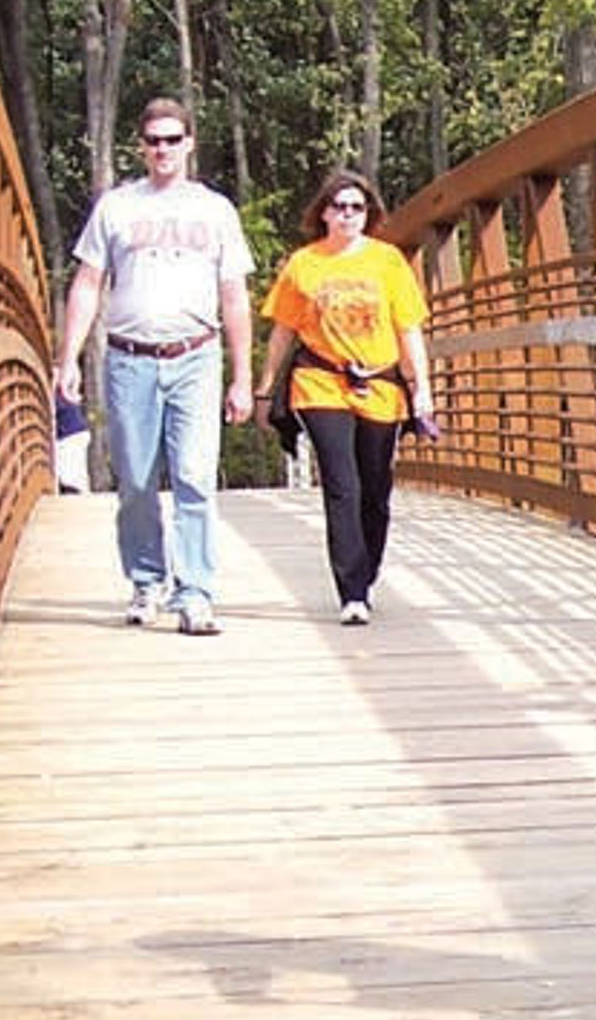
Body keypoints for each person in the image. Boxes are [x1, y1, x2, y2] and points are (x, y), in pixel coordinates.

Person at [55, 98, 255, 634]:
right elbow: (88, 284)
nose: (163, 149)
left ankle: (195, 593)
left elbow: (234, 295)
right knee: (137, 481)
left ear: (190, 143)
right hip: (129, 359)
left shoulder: (215, 211)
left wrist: (243, 377)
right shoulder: (116, 208)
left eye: (173, 139)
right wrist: (68, 357)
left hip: (195, 356)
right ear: (141, 147)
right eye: (154, 140)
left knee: (193, 476)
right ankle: (147, 580)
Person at [255, 170, 436, 626]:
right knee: (342, 484)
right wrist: (264, 387)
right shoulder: (304, 263)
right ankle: (351, 591)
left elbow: (408, 329)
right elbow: (283, 331)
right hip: (321, 381)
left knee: (375, 489)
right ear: (323, 213)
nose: (347, 215)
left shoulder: (388, 261)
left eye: (357, 208)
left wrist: (423, 390)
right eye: (339, 207)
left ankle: (366, 572)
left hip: (379, 383)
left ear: (368, 213)